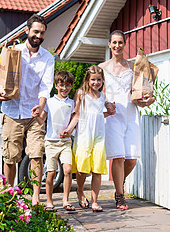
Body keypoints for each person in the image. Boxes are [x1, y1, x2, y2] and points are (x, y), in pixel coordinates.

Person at [0, 14, 54, 206]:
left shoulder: (48, 58)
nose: (38, 36)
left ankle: (35, 197)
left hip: (34, 114)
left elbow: (45, 87)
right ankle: (9, 194)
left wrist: (40, 106)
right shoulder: (12, 52)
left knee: (36, 154)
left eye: (42, 33)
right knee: (10, 157)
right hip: (12, 112)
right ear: (27, 31)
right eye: (35, 31)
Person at [98, 30, 155, 210]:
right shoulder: (102, 67)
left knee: (132, 159)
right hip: (113, 115)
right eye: (114, 42)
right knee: (119, 156)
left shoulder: (133, 67)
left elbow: (144, 91)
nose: (117, 46)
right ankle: (120, 196)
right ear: (109, 44)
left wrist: (149, 99)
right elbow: (97, 92)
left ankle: (118, 186)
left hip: (131, 113)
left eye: (120, 42)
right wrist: (104, 106)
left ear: (124, 44)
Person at [61, 65, 115, 212]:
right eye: (93, 80)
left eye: (99, 80)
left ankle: (95, 201)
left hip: (99, 135)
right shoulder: (81, 93)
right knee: (82, 169)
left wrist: (108, 114)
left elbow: (97, 115)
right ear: (87, 80)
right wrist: (69, 129)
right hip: (84, 135)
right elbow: (77, 115)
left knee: (97, 169)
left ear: (103, 80)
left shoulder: (102, 97)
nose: (96, 83)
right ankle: (79, 191)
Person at [39, 71, 76, 212]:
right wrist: (36, 116)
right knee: (51, 173)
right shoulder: (49, 102)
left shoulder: (71, 103)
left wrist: (69, 131)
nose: (64, 88)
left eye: (67, 86)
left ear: (71, 86)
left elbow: (74, 121)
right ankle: (49, 201)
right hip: (51, 142)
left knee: (67, 170)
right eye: (61, 85)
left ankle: (66, 200)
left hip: (66, 142)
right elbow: (41, 120)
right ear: (56, 86)